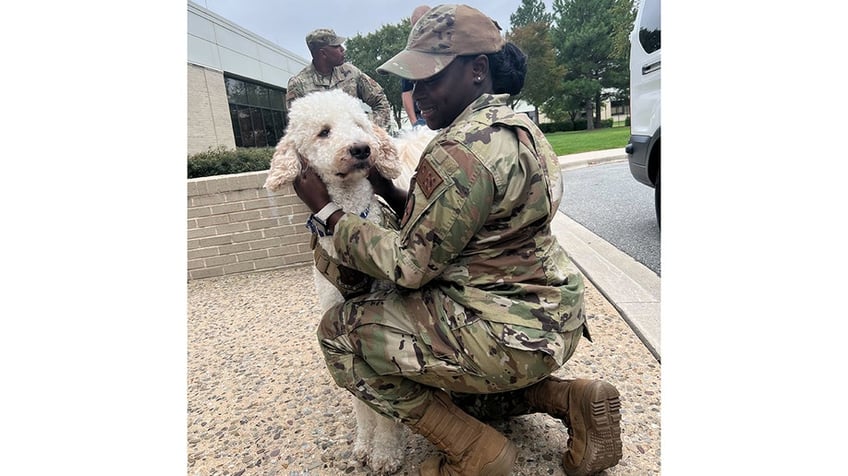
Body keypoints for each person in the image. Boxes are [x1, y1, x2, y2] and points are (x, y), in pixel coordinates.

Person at [293, 4, 622, 475]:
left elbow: (408, 266)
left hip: (501, 332)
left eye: (431, 77)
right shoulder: (520, 129)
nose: (417, 92)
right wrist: (388, 187)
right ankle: (571, 398)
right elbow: (457, 223)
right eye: (414, 81)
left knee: (340, 335)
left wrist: (326, 213)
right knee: (457, 387)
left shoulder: (456, 149)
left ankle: (476, 452)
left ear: (478, 69)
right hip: (552, 321)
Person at [286, 28, 392, 131]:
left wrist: (369, 130)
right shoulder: (298, 85)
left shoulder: (351, 72)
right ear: (323, 53)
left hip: (359, 143)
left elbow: (380, 100)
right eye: (336, 46)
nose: (342, 49)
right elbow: (298, 127)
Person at [400, 5, 430, 128]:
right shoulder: (410, 56)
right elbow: (407, 91)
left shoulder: (451, 47)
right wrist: (414, 122)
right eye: (415, 28)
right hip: (423, 117)